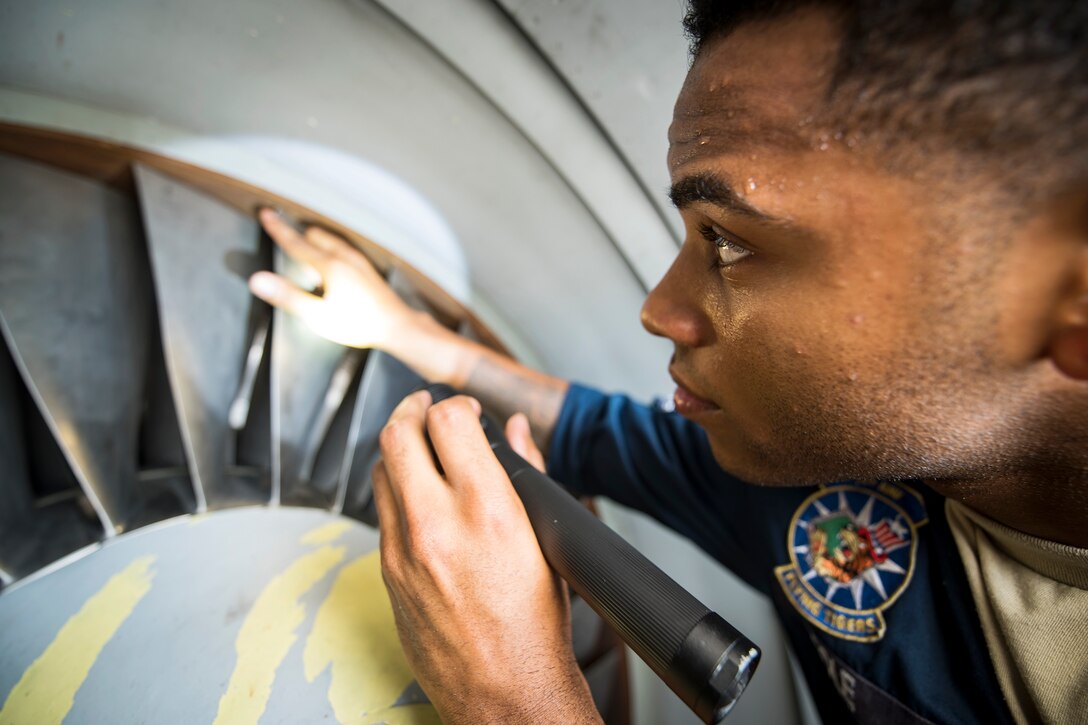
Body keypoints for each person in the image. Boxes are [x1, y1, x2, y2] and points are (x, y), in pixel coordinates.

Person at [247, 1, 1088, 722]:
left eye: (729, 242)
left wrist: (513, 700)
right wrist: (407, 334)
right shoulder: (832, 480)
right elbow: (600, 433)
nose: (657, 310)